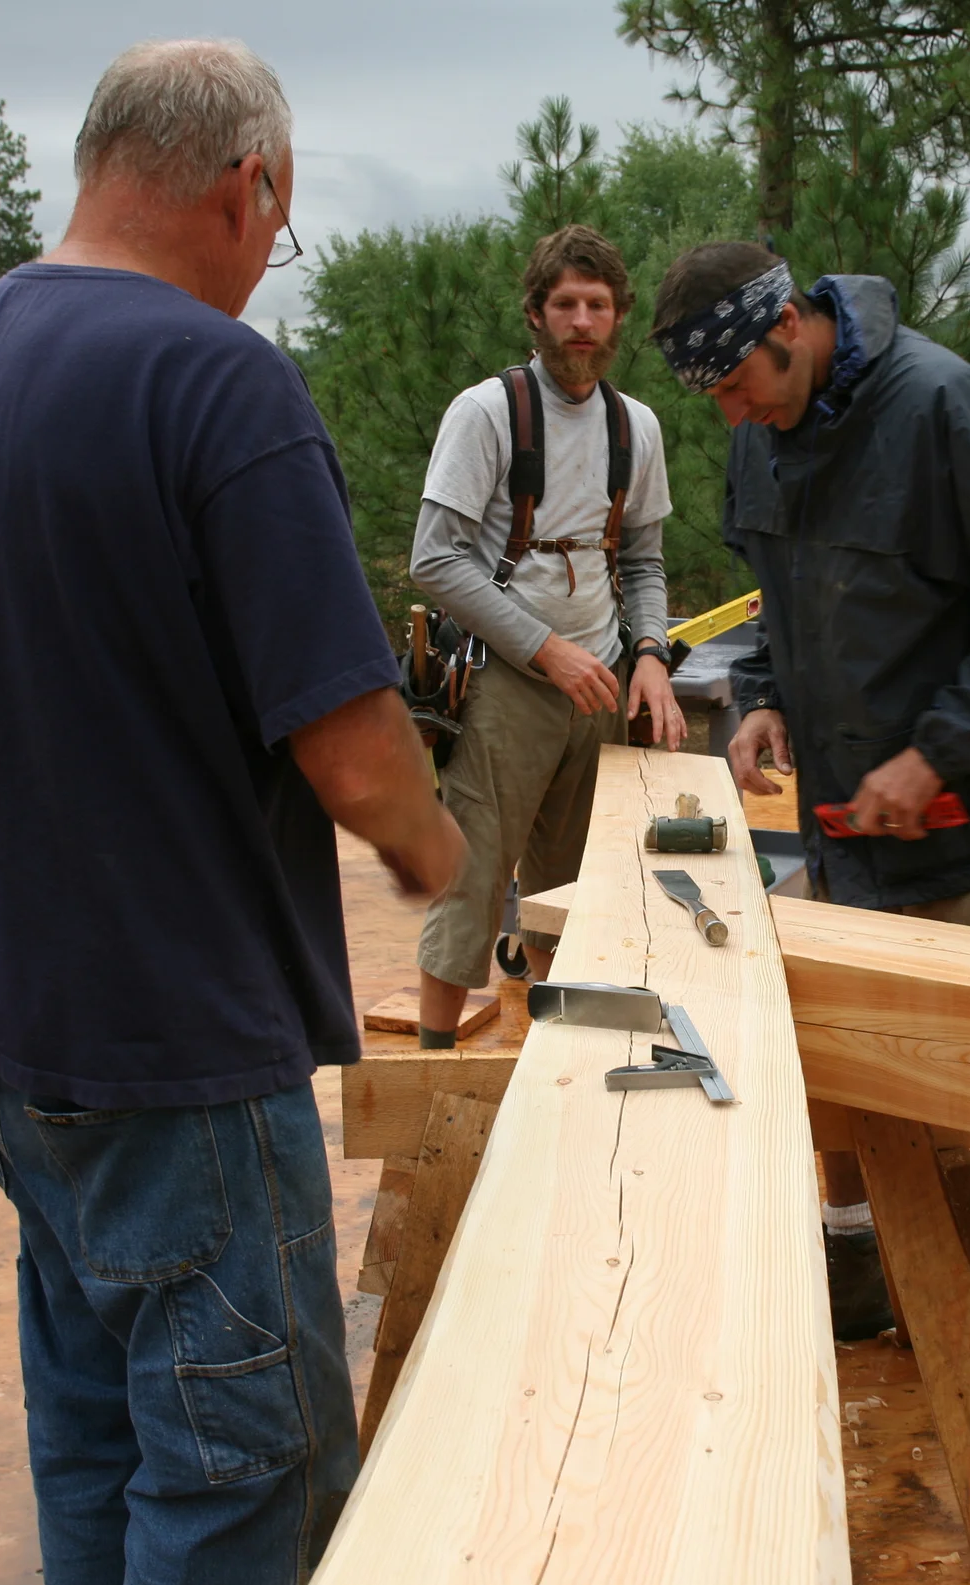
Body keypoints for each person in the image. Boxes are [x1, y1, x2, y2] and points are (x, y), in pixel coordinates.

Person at [0, 39, 464, 1585]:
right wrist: (436, 845)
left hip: (7, 1035)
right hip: (178, 1044)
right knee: (249, 1465)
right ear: (246, 185)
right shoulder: (213, 380)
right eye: (282, 221)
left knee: (105, 1429)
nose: (270, 258)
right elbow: (349, 741)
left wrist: (13, 854)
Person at [650, 244, 970, 1451]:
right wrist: (757, 695)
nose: (730, 416)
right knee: (837, 1043)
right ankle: (854, 1255)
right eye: (714, 400)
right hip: (850, 811)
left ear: (788, 325)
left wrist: (940, 750)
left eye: (737, 385)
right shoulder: (760, 424)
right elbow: (771, 596)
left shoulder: (939, 407)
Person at [411, 225, 685, 1045]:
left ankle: (547, 1054)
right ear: (535, 313)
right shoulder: (488, 412)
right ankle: (432, 1066)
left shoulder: (635, 427)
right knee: (471, 871)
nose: (582, 321)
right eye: (564, 303)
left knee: (572, 885)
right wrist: (543, 647)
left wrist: (649, 658)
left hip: (599, 679)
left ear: (618, 317)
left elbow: (642, 562)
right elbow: (435, 559)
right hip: (506, 679)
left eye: (598, 305)